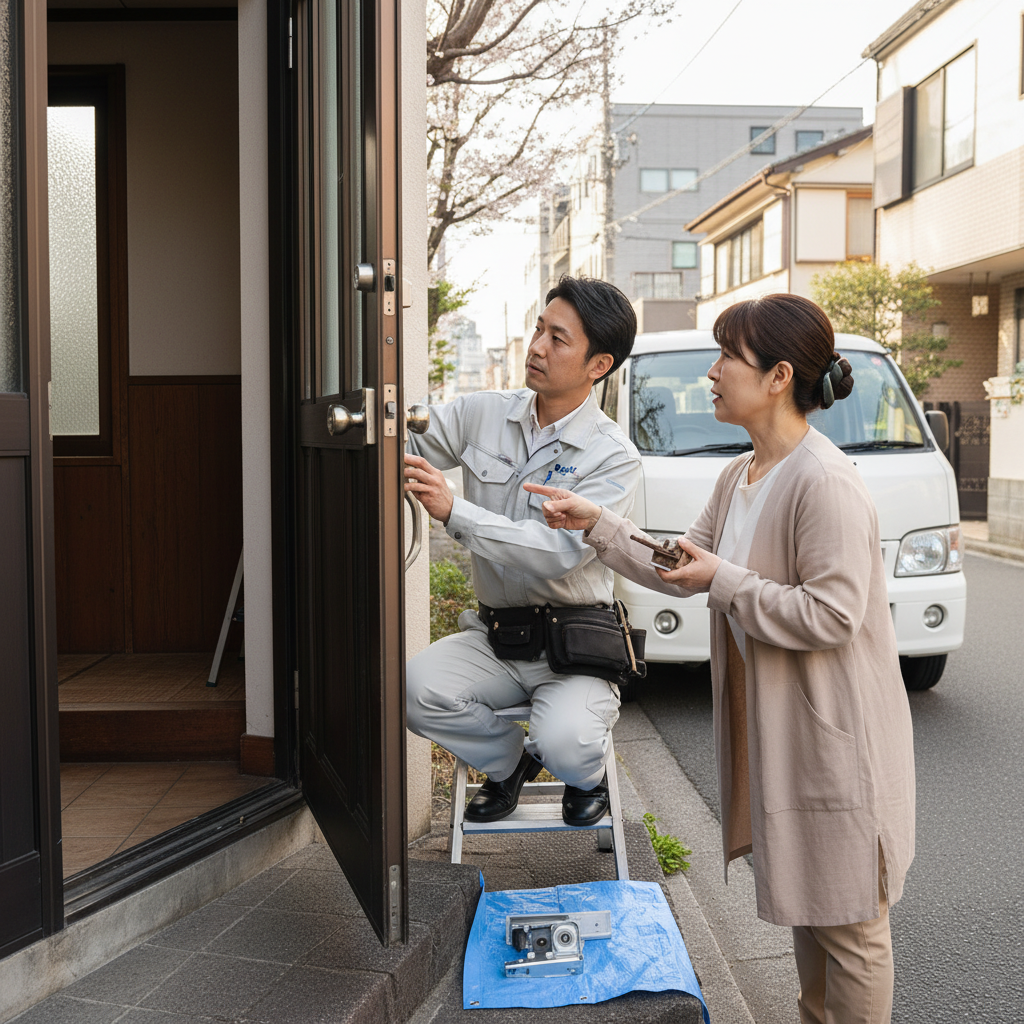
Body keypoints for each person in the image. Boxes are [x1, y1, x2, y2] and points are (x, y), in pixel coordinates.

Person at [525, 293, 915, 1024]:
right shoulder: (742, 474)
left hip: (836, 737)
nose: (712, 371)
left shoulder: (823, 482)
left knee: (851, 926)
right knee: (813, 909)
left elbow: (829, 616)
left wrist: (724, 581)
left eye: (728, 357)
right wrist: (600, 523)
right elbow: (682, 561)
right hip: (791, 732)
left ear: (777, 377)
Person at [404, 275, 641, 827]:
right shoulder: (483, 413)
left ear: (598, 365)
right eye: (539, 329)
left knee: (567, 742)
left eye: (558, 339)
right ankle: (509, 765)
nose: (536, 347)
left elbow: (557, 553)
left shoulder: (613, 457)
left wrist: (453, 510)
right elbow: (405, 432)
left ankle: (586, 774)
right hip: (496, 636)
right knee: (417, 691)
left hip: (573, 646)